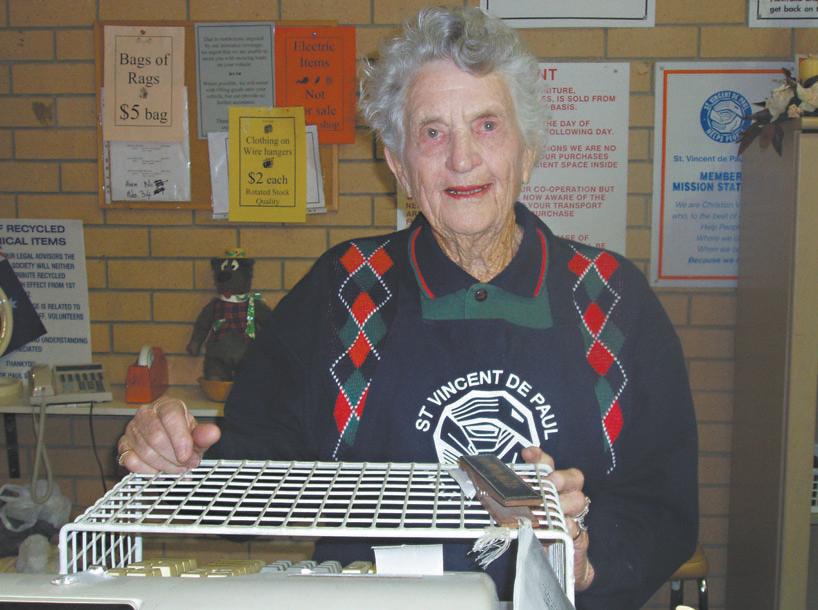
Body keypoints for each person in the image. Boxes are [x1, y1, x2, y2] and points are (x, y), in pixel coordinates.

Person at [117, 7, 698, 609]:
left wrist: (588, 560)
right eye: (432, 132)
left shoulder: (611, 297)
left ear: (526, 152)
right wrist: (181, 455)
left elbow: (664, 502)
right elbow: (255, 466)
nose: (462, 158)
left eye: (488, 125)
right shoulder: (342, 289)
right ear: (398, 164)